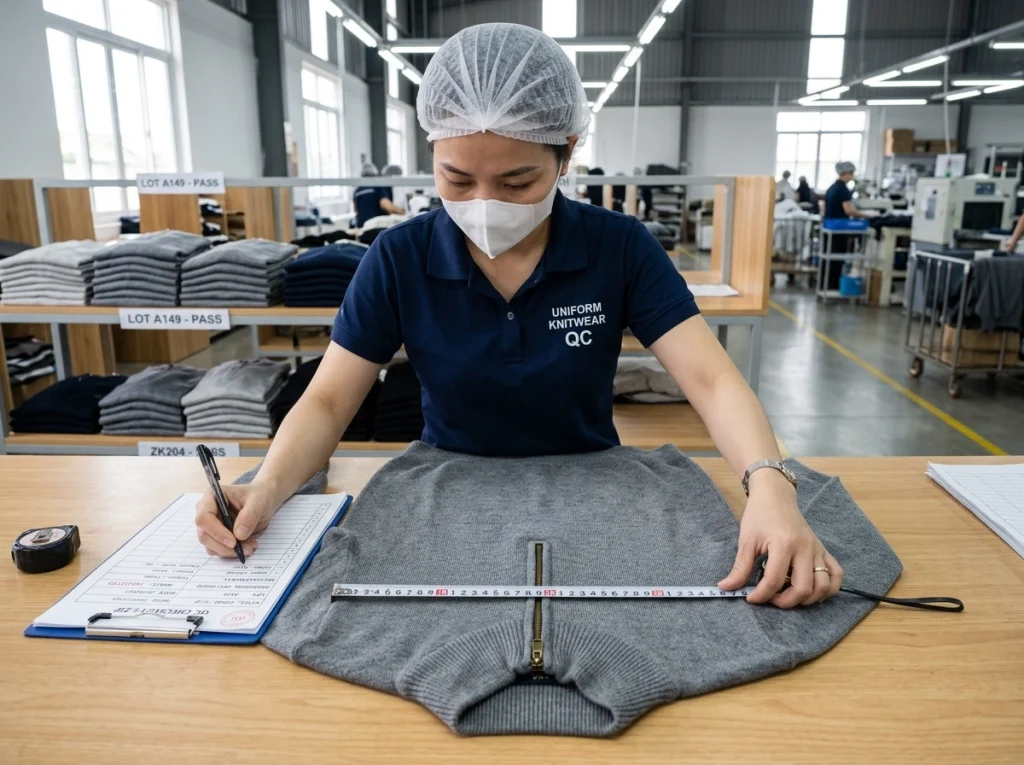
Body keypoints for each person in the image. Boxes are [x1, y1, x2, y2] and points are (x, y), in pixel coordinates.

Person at [194, 22, 844, 610]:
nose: (484, 205)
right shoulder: (399, 255)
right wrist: (270, 485)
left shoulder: (619, 247)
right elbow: (330, 400)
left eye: (517, 183)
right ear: (431, 155)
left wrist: (770, 484)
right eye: (456, 179)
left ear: (568, 148)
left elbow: (711, 380)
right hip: (444, 491)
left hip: (597, 492)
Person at [822, 161, 870, 292]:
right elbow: (848, 210)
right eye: (852, 173)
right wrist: (867, 215)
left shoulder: (832, 188)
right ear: (847, 173)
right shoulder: (843, 190)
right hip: (839, 230)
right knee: (837, 260)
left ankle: (825, 285)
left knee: (828, 261)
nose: (852, 176)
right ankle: (834, 287)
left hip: (829, 227)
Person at [352, 162, 403, 227]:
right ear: (374, 173)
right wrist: (402, 212)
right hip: (375, 225)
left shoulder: (357, 190)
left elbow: (355, 210)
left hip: (361, 226)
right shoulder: (377, 185)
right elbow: (386, 205)